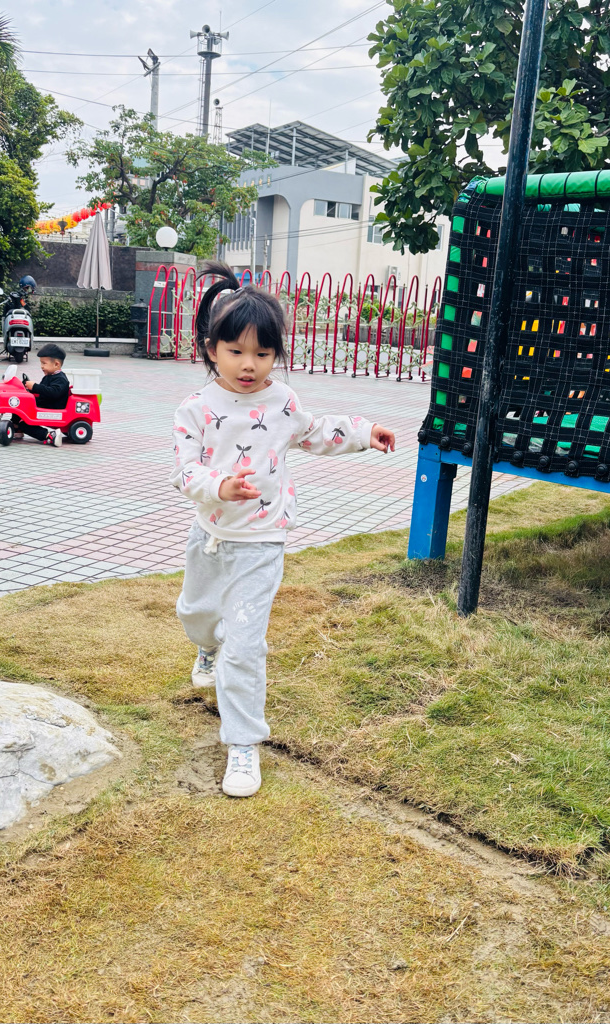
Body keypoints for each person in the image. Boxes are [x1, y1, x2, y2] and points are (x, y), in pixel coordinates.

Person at [170, 261, 396, 799]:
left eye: (263, 353)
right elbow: (185, 472)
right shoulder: (195, 408)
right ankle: (206, 648)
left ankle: (243, 744)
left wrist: (364, 431)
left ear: (277, 354)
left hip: (263, 542)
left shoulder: (283, 401)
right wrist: (220, 486)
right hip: (210, 537)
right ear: (211, 349)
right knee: (196, 615)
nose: (249, 365)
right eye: (236, 351)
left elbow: (316, 432)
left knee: (245, 647)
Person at [18, 343, 69, 446]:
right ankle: (16, 426)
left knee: (24, 424)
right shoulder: (48, 376)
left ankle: (49, 435)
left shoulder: (61, 379)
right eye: (41, 363)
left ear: (56, 364)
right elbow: (42, 390)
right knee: (20, 403)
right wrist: (29, 389)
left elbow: (53, 392)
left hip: (52, 408)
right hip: (45, 404)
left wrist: (35, 387)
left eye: (44, 363)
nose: (41, 366)